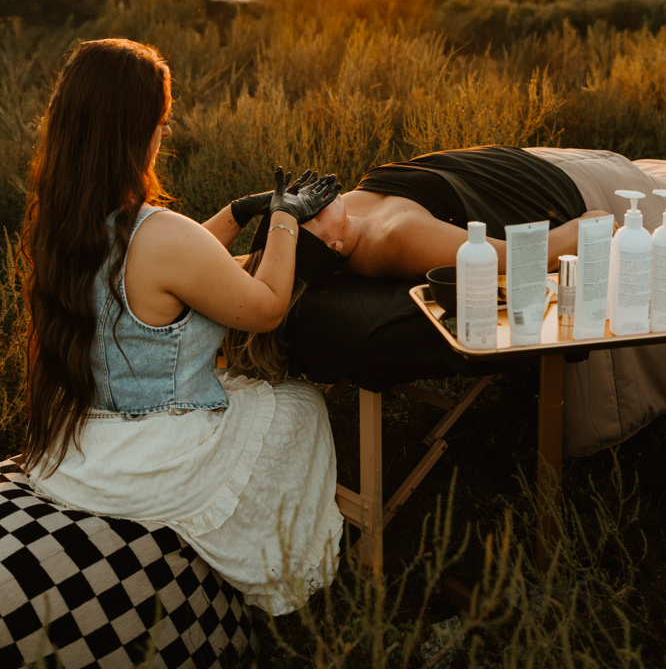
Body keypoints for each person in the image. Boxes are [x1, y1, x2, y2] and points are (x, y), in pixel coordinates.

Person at [22, 38, 343, 615]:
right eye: (160, 121)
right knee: (301, 405)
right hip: (155, 459)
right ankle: (289, 585)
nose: (165, 134)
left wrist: (238, 214)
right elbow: (265, 305)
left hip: (81, 447)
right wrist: (286, 219)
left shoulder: (61, 221)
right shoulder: (159, 233)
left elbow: (165, 268)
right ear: (130, 128)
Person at [226, 145, 666, 458]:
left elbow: (227, 264)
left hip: (524, 161)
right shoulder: (398, 239)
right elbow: (526, 255)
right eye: (305, 216)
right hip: (560, 191)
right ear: (335, 247)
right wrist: (593, 223)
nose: (307, 203)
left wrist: (249, 209)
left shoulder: (341, 220)